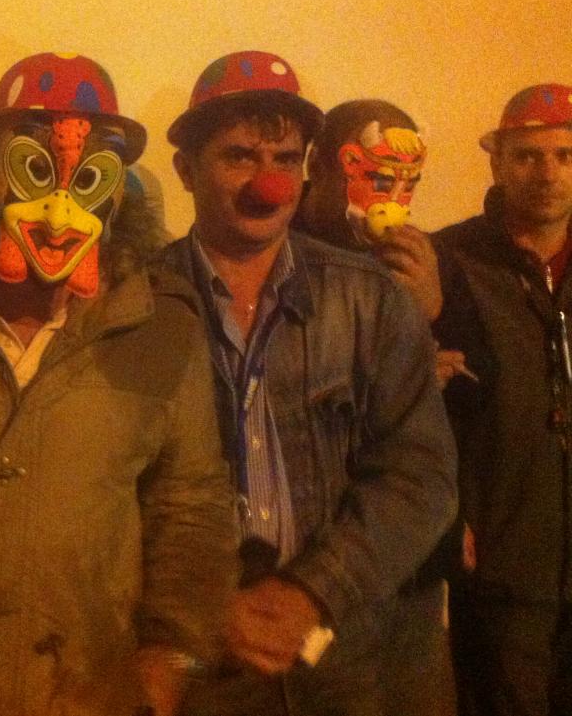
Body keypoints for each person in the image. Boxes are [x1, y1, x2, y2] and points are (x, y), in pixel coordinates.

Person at [0, 52, 236, 716]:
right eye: (32, 170)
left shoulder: (160, 326)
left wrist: (169, 660)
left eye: (91, 178)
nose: (57, 213)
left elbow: (192, 506)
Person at [163, 51, 457, 715]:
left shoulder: (372, 298)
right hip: (205, 662)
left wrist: (310, 591)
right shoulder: (140, 302)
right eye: (240, 157)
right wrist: (206, 603)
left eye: (285, 159)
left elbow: (421, 473)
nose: (268, 183)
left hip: (349, 656)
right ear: (184, 169)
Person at [296, 98, 457, 714]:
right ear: (320, 167)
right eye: (376, 180)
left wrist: (432, 313)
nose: (392, 200)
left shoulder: (419, 262)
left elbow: (455, 407)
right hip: (318, 567)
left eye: (407, 184)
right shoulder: (273, 256)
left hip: (414, 572)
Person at [433, 83, 572, 716]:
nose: (548, 173)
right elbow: (415, 408)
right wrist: (449, 511)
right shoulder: (446, 259)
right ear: (497, 164)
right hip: (499, 560)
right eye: (528, 156)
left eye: (565, 155)